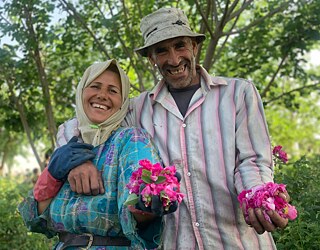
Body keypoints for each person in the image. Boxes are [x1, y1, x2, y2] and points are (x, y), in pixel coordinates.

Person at [28, 8, 291, 249]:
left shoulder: (238, 93)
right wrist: (76, 158)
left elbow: (253, 159)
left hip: (236, 240)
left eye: (180, 46)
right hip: (176, 242)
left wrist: (257, 197)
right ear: (151, 59)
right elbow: (84, 121)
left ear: (195, 47)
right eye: (162, 51)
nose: (174, 59)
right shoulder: (137, 108)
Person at [18, 59, 179, 249]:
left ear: (123, 102)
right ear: (81, 92)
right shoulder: (69, 144)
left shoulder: (132, 140)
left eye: (112, 90)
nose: (102, 95)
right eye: (95, 86)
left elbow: (137, 218)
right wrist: (51, 175)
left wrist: (149, 201)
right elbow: (36, 220)